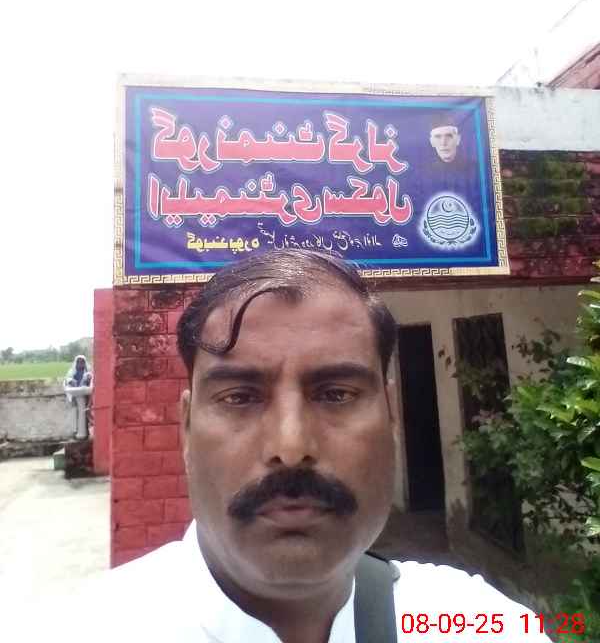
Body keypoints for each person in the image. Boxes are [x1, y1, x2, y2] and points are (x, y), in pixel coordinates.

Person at [18, 251, 550, 643]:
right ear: (185, 430)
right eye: (239, 397)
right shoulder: (76, 631)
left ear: (391, 416)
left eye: (336, 394)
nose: (291, 447)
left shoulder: (479, 625)